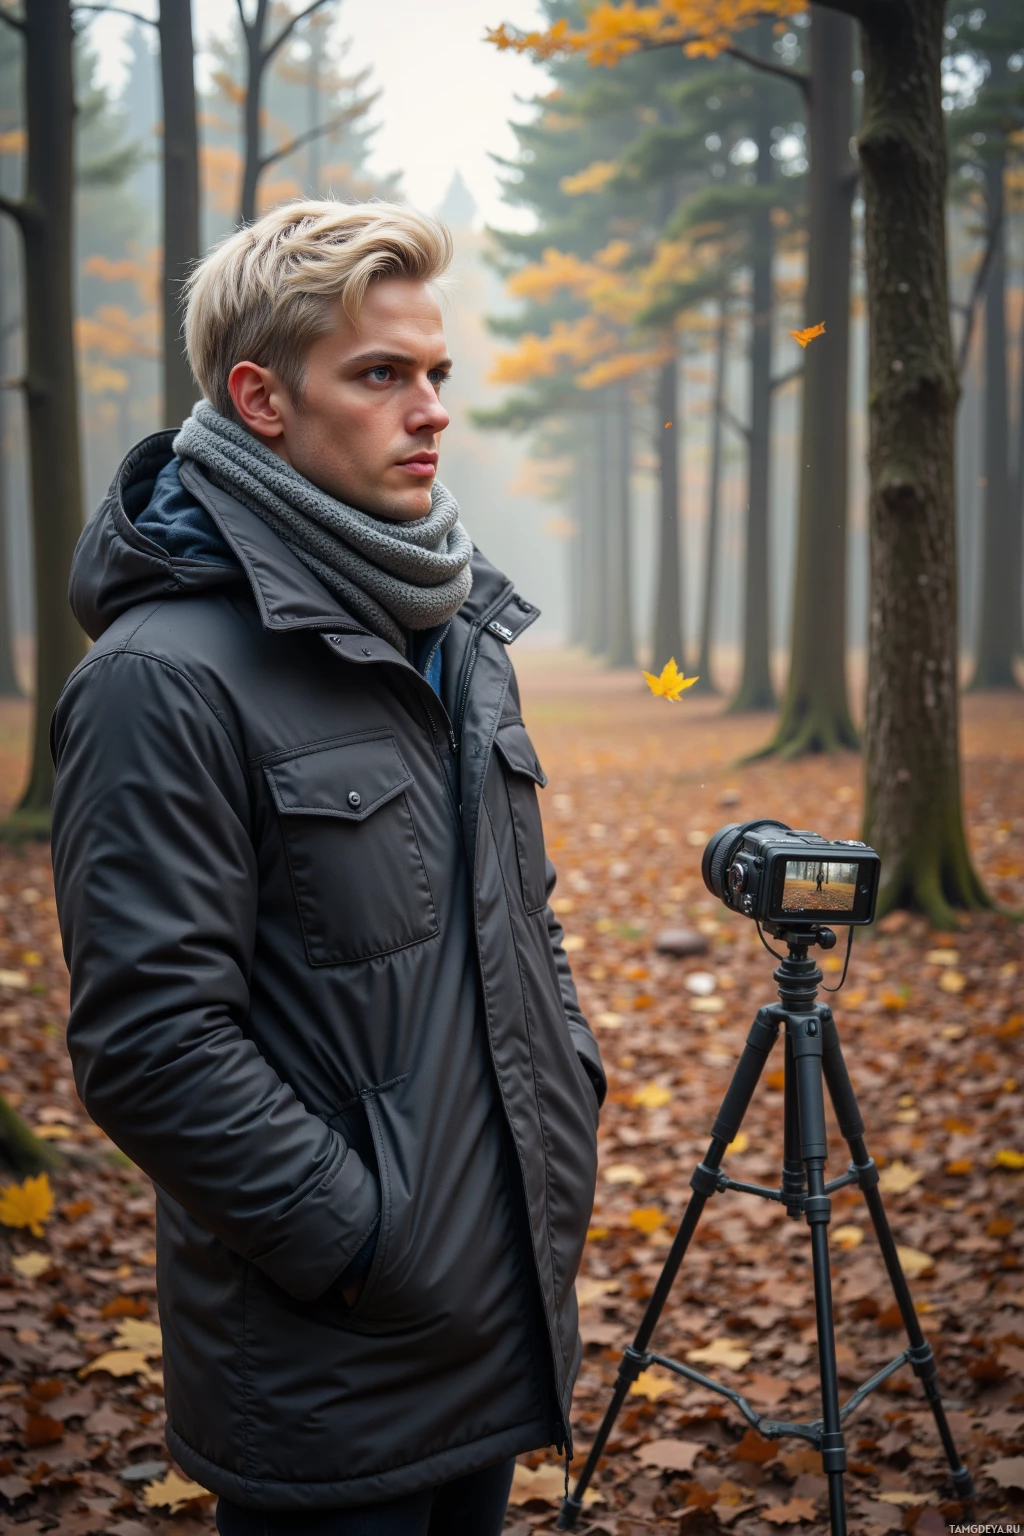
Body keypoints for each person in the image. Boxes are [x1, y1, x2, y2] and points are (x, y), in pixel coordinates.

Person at [50, 200, 605, 1536]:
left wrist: (566, 1096)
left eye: (436, 375)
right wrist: (364, 1243)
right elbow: (149, 1044)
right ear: (259, 398)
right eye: (379, 375)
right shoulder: (158, 678)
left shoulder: (459, 631)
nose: (430, 412)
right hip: (329, 1363)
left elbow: (517, 924)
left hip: (497, 1318)